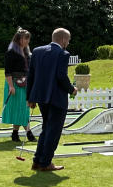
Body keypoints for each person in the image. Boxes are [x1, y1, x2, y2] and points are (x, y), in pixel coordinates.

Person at [27, 28, 76, 172]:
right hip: (56, 98)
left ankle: (37, 160)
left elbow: (31, 75)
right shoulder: (63, 53)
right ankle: (45, 162)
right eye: (68, 40)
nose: (68, 43)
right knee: (53, 131)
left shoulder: (37, 51)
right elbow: (61, 76)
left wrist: (30, 97)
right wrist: (72, 89)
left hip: (41, 97)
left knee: (46, 129)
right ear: (62, 40)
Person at [2, 28, 36, 143]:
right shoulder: (11, 52)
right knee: (20, 108)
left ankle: (15, 133)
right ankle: (28, 133)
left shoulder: (27, 52)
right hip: (14, 84)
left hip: (25, 83)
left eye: (28, 39)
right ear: (19, 39)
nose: (27, 41)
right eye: (26, 38)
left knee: (22, 108)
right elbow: (8, 71)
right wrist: (10, 86)